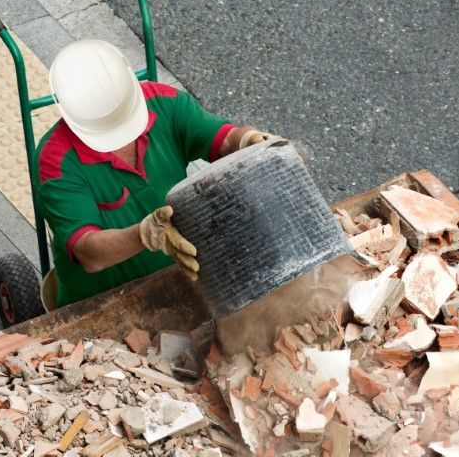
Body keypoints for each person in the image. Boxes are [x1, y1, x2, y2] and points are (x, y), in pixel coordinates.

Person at [34, 40, 279, 307]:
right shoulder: (55, 160)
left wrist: (250, 140)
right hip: (102, 302)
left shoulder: (164, 102)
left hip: (182, 274)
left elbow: (223, 138)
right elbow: (89, 253)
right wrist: (144, 234)